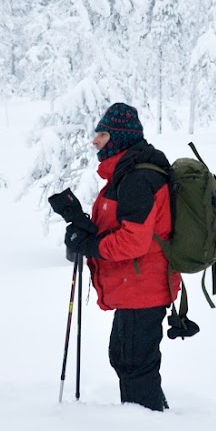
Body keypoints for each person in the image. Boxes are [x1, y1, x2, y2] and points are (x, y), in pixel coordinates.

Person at [48, 103, 180, 411]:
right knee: (127, 359)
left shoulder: (137, 179)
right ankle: (150, 423)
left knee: (134, 365)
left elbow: (133, 242)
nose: (95, 141)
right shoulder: (127, 175)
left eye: (102, 134)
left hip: (142, 287)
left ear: (119, 138)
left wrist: (91, 246)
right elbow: (125, 227)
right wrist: (85, 231)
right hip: (135, 287)